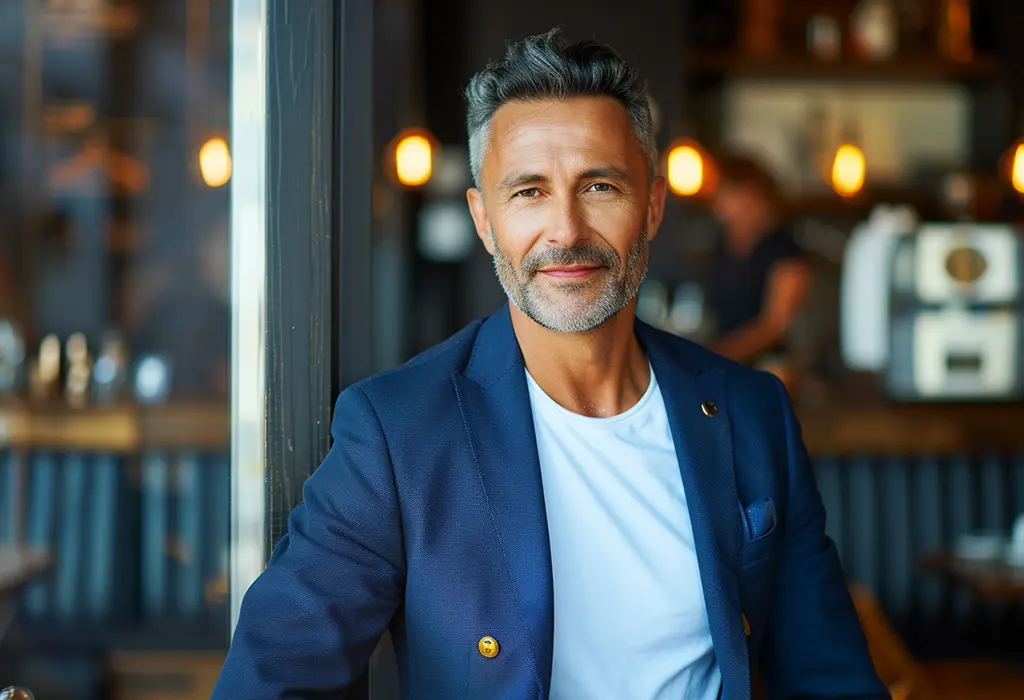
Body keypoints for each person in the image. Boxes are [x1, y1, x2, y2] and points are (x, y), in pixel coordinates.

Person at [213, 29, 887, 700]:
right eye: (529, 192)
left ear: (652, 206)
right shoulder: (398, 433)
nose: (565, 231)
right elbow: (271, 680)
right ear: (484, 219)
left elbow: (834, 679)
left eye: (598, 186)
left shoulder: (752, 413)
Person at [703, 153, 811, 366]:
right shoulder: (721, 248)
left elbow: (775, 327)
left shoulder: (784, 252)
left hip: (770, 368)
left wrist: (717, 355)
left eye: (729, 196)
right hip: (724, 364)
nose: (721, 208)